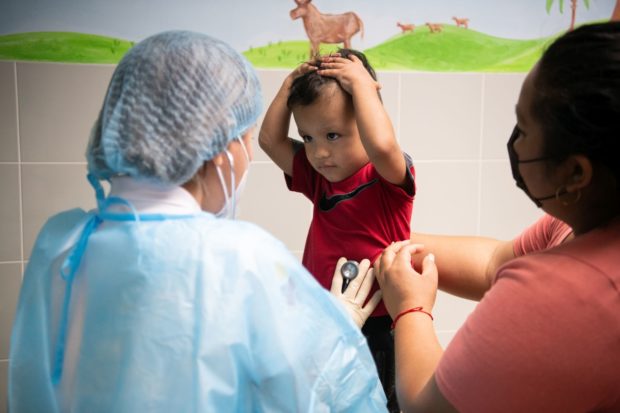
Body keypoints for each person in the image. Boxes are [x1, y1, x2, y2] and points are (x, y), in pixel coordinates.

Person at [8, 31, 388, 412]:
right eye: (245, 138)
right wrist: (334, 332)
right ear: (220, 149)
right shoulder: (241, 260)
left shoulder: (61, 243)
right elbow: (304, 399)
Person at [372, 22, 620, 412]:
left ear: (575, 173)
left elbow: (425, 404)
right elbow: (493, 263)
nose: (515, 142)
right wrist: (376, 238)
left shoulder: (561, 294)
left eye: (522, 128)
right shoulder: (577, 222)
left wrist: (410, 307)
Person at [258, 48, 416, 411]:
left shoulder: (385, 179)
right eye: (309, 138)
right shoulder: (319, 180)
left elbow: (383, 143)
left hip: (378, 324)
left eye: (332, 135)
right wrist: (288, 87)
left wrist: (363, 86)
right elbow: (270, 141)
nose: (319, 153)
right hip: (324, 314)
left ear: (365, 119)